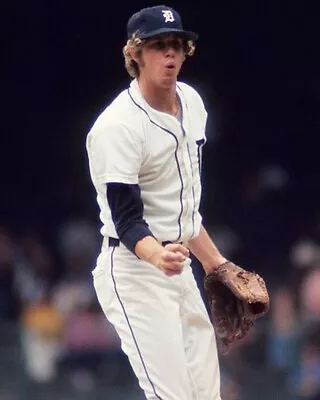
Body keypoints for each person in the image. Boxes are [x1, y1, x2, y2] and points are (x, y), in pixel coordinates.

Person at [86, 5, 228, 399]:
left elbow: (182, 210)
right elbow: (128, 220)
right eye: (158, 46)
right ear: (135, 54)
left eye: (177, 46)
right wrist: (157, 257)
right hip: (134, 270)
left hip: (178, 266)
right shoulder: (118, 127)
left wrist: (216, 264)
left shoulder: (192, 104)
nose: (170, 55)